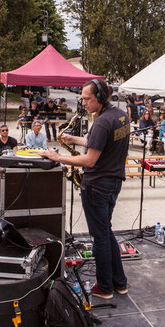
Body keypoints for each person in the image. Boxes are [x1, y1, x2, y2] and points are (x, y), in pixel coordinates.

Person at [41, 79, 129, 300]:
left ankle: (105, 287)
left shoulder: (101, 122)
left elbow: (90, 160)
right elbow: (99, 142)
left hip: (97, 185)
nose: (84, 102)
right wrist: (74, 138)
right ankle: (120, 283)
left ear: (100, 97)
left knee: (100, 236)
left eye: (88, 98)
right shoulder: (120, 115)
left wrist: (58, 156)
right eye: (83, 98)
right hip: (113, 182)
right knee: (106, 232)